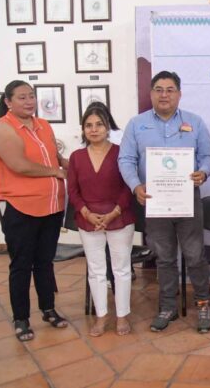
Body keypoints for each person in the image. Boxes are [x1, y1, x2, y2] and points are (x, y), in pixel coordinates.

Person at [119, 70, 210, 333]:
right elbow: (126, 159)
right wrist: (135, 185)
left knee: (195, 255)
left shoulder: (194, 122)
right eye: (159, 90)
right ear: (151, 94)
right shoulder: (136, 124)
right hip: (154, 200)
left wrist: (203, 172)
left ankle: (203, 304)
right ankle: (167, 306)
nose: (164, 95)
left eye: (170, 90)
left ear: (179, 94)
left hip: (187, 199)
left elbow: (208, 155)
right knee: (164, 257)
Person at [0, 80, 68, 341]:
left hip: (51, 206)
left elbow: (57, 159)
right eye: (22, 97)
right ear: (8, 102)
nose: (29, 101)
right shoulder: (2, 128)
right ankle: (21, 318)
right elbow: (19, 165)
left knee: (44, 261)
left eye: (31, 96)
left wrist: (82, 165)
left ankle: (48, 309)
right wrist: (56, 172)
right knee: (21, 264)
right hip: (19, 207)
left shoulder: (43, 125)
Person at [68, 104, 136, 336]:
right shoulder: (76, 157)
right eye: (88, 125)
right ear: (83, 129)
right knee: (96, 270)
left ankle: (122, 316)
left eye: (99, 124)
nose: (94, 129)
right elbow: (73, 191)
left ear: (108, 127)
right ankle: (101, 316)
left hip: (119, 217)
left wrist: (113, 213)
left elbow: (128, 186)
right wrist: (87, 213)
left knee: (121, 269)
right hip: (88, 220)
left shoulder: (121, 153)